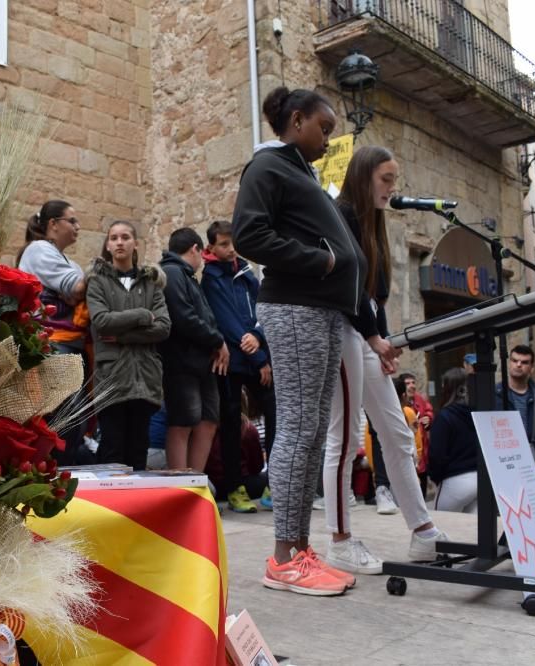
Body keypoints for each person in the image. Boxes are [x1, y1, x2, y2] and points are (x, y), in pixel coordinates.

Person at [232, 86, 364, 596]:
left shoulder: (298, 170)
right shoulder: (268, 166)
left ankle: (300, 550)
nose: (328, 140)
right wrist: (323, 261)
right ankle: (284, 558)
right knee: (297, 427)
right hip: (294, 307)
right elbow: (249, 234)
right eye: (323, 128)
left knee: (310, 429)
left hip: (321, 309)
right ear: (295, 119)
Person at [319, 146, 446, 576]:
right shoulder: (340, 215)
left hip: (365, 332)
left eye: (394, 180)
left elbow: (374, 294)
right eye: (386, 179)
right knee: (344, 436)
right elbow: (346, 287)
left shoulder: (372, 223)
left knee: (396, 429)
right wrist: (376, 337)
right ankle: (339, 539)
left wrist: (382, 340)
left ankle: (423, 530)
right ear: (364, 176)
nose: (393, 188)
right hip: (342, 329)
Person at [201, 220, 275, 513]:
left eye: (233, 242)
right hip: (230, 360)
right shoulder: (210, 278)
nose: (230, 249)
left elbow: (263, 309)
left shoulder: (246, 272)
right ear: (210, 247)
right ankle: (234, 488)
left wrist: (259, 340)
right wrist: (255, 351)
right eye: (223, 244)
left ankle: (275, 483)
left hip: (257, 354)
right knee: (231, 422)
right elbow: (225, 318)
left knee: (275, 413)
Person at [86, 221, 171, 470]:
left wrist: (122, 336)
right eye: (114, 238)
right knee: (112, 449)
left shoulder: (151, 283)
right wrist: (143, 316)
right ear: (108, 245)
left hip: (144, 377)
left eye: (125, 237)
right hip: (112, 376)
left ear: (135, 244)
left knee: (138, 449)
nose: (119, 242)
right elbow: (101, 322)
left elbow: (164, 327)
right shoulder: (97, 281)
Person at [17, 200, 90, 464]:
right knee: (63, 418)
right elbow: (77, 290)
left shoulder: (66, 260)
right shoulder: (38, 250)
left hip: (69, 346)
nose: (78, 227)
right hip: (51, 346)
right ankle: (55, 476)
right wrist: (96, 272)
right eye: (72, 221)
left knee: (73, 416)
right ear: (53, 224)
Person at [159, 227, 228, 471]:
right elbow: (183, 317)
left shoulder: (187, 276)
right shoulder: (172, 273)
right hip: (182, 363)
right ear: (195, 249)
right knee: (182, 423)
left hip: (202, 362)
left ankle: (196, 481)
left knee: (208, 421)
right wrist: (217, 341)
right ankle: (180, 486)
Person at [497, 345, 535, 472]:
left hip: (533, 463)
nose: (518, 365)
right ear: (509, 363)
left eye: (524, 362)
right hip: (502, 461)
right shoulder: (495, 393)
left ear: (532, 368)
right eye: (514, 360)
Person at [429, 368, 480, 513]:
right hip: (479, 479)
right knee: (472, 531)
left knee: (440, 526)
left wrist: (435, 477)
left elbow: (437, 455)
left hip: (454, 481)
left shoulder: (445, 416)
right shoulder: (477, 414)